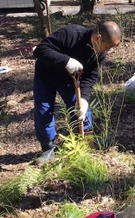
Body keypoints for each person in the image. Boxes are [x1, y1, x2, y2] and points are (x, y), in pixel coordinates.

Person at [32, 21, 122, 163]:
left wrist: (85, 99)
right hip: (46, 76)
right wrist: (66, 61)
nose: (108, 50)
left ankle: (84, 144)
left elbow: (91, 77)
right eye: (108, 46)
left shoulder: (100, 54)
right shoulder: (71, 34)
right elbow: (40, 50)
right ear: (98, 37)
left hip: (70, 81)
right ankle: (48, 148)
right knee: (44, 111)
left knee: (80, 109)